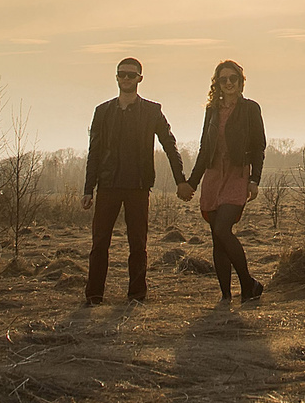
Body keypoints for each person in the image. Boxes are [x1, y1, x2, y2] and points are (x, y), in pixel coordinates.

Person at [81, 58, 186, 305]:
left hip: (138, 187)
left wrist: (181, 181)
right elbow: (94, 151)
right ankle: (94, 296)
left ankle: (137, 295)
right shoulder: (102, 112)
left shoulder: (152, 111)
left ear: (140, 78)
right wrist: (88, 189)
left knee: (138, 244)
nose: (126, 78)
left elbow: (169, 145)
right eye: (122, 74)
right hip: (108, 186)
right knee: (99, 244)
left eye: (131, 75)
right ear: (116, 77)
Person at [188, 58, 266, 303]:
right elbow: (204, 148)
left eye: (233, 78)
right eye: (224, 79)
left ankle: (248, 284)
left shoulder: (250, 109)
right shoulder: (211, 111)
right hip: (213, 176)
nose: (229, 83)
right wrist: (192, 183)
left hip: (237, 174)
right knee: (217, 237)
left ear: (241, 82)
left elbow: (258, 147)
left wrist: (254, 180)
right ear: (217, 83)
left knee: (223, 229)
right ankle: (225, 296)